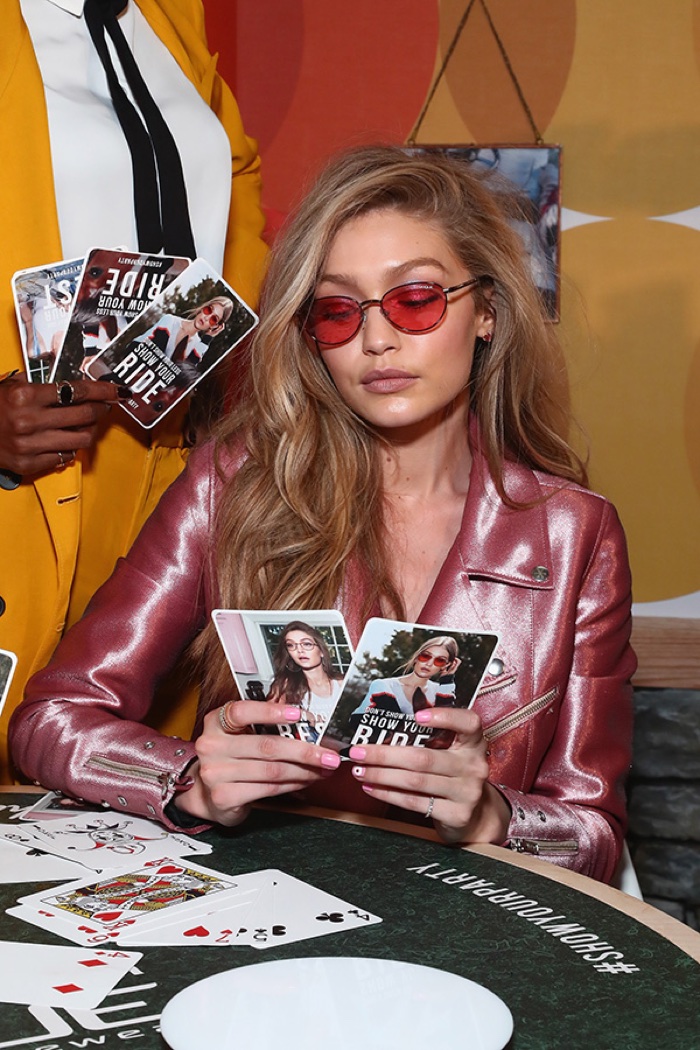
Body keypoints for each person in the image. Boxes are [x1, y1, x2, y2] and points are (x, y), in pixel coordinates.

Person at [10, 145, 636, 883]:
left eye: (416, 299)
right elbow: (49, 721)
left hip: (465, 934)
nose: (377, 339)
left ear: (487, 313)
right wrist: (186, 782)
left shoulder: (575, 533)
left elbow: (594, 835)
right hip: (259, 914)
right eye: (337, 311)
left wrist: (493, 814)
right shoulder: (228, 484)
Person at [0, 0, 267, 779]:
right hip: (33, 468)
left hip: (183, 447)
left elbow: (236, 173)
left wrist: (222, 344)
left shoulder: (170, 12)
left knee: (146, 777)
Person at [265, 621, 343, 742]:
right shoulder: (285, 684)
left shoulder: (341, 683)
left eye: (306, 644)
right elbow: (266, 719)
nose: (299, 650)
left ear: (321, 651)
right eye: (291, 645)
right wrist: (300, 714)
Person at [353, 637, 459, 719]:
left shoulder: (441, 691)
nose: (429, 663)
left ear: (446, 665)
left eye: (440, 660)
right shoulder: (384, 685)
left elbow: (443, 724)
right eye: (425, 656)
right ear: (417, 657)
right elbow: (356, 719)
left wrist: (447, 681)